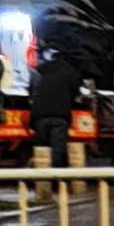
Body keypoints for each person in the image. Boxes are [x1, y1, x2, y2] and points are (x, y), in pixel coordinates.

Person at [26, 38, 80, 167]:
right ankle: (57, 176)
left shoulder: (40, 70)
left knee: (41, 149)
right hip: (59, 115)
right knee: (58, 149)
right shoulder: (70, 71)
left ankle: (41, 175)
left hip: (39, 116)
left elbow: (31, 89)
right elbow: (75, 91)